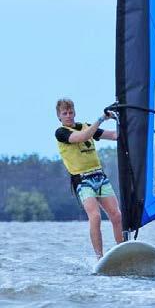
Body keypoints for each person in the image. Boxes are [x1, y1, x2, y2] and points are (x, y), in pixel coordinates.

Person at [54, 98, 122, 259]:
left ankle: (123, 251)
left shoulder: (86, 126)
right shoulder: (61, 132)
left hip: (100, 177)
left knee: (117, 215)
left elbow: (114, 136)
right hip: (82, 181)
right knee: (95, 216)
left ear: (75, 113)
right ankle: (100, 257)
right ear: (59, 116)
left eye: (71, 112)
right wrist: (101, 119)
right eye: (65, 113)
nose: (68, 116)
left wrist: (125, 121)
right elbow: (83, 136)